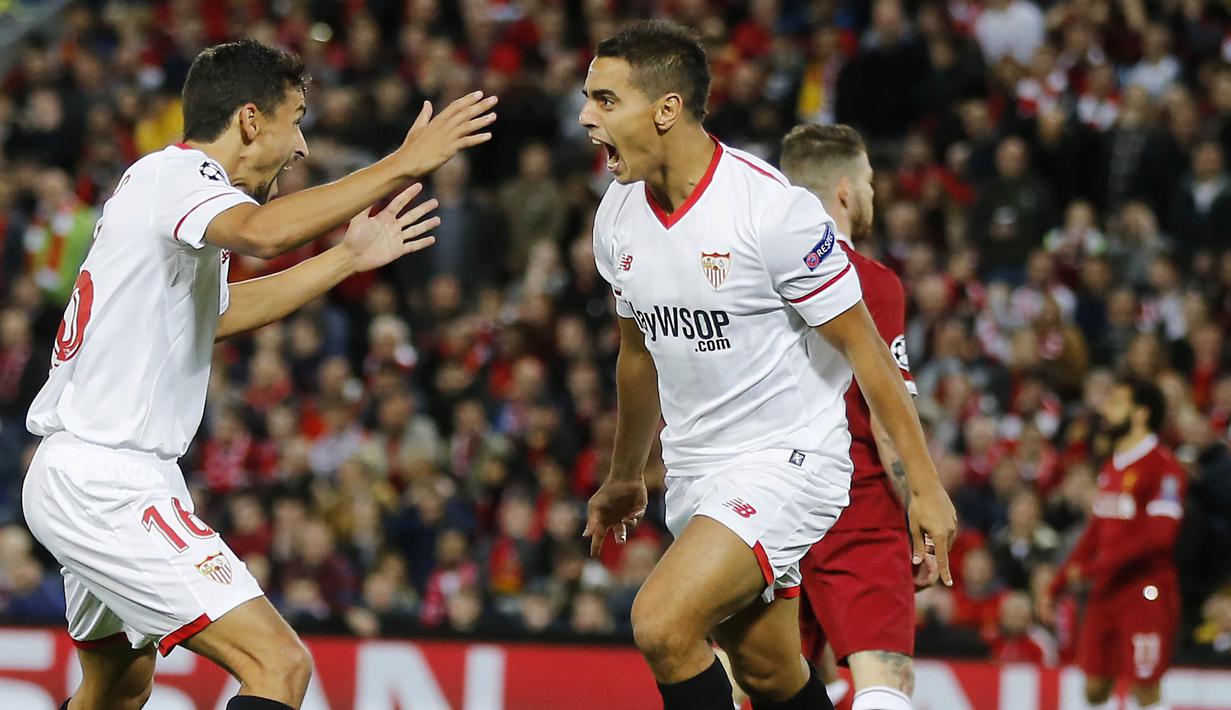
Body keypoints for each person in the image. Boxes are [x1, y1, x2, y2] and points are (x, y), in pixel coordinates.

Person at [21, 39, 496, 710]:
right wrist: (402, 164)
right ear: (250, 120)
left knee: (117, 688)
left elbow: (216, 315)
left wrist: (343, 260)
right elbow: (266, 233)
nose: (300, 144)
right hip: (109, 482)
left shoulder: (170, 193)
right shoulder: (178, 176)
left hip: (96, 471)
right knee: (279, 666)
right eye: (295, 117)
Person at [579, 21, 956, 710]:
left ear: (666, 109)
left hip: (788, 463)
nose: (584, 117)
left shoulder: (770, 211)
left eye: (604, 100)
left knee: (661, 625)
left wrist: (926, 489)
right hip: (698, 472)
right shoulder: (617, 216)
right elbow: (637, 356)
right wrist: (626, 474)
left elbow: (867, 352)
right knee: (768, 671)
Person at [778, 123, 939, 710]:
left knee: (761, 680)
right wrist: (919, 507)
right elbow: (888, 412)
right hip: (855, 500)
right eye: (869, 182)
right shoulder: (869, 282)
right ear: (846, 191)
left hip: (766, 500)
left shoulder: (753, 280)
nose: (873, 194)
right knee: (883, 681)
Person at [1039, 377, 1185, 710]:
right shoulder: (1112, 467)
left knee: (1145, 689)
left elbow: (1159, 539)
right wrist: (1058, 584)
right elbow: (1095, 532)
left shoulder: (1164, 468)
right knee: (1093, 688)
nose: (1105, 409)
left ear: (1141, 414)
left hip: (1147, 591)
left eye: (1117, 402)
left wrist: (1091, 569)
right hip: (1106, 591)